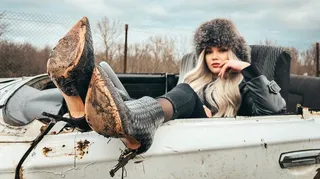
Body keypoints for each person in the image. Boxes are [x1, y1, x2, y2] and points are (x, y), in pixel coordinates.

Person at [46, 17, 286, 155]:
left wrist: (247, 68)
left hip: (212, 139)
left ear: (233, 52)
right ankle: (78, 98)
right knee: (106, 69)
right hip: (186, 131)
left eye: (222, 50)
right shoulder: (195, 78)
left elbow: (274, 112)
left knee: (185, 92)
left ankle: (133, 120)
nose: (215, 56)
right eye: (209, 51)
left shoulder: (245, 85)